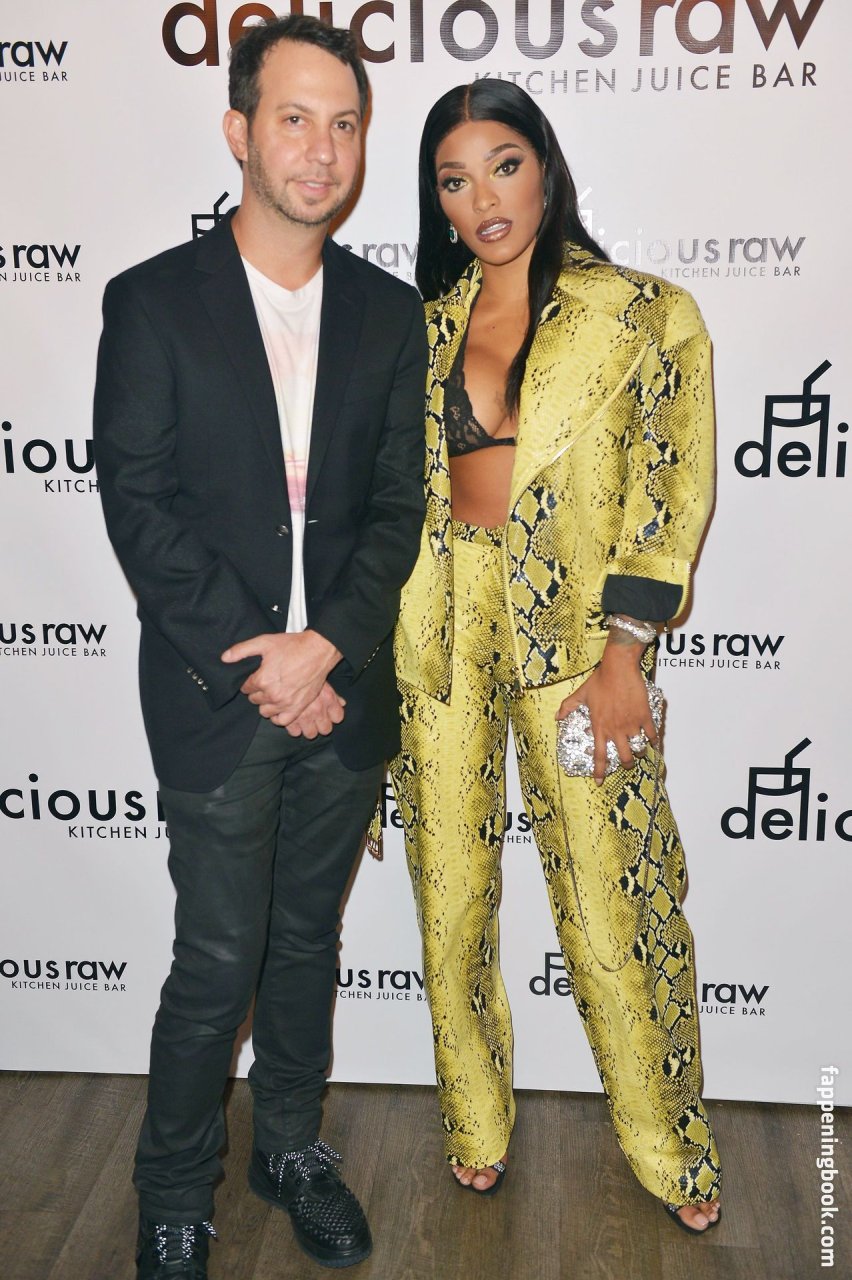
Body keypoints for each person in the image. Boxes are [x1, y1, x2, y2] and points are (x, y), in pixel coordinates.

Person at [93, 15, 426, 1277]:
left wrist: (326, 647)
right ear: (239, 130)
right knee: (219, 956)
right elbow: (141, 507)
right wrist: (268, 662)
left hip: (343, 695)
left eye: (344, 123)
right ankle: (174, 1188)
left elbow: (397, 508)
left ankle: (289, 1146)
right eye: (295, 118)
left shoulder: (391, 315)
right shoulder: (152, 303)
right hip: (218, 697)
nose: (322, 149)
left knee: (304, 946)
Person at [387, 79, 721, 1233]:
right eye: (454, 178)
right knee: (449, 894)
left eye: (504, 164)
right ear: (435, 198)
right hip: (438, 628)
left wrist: (628, 649)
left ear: (545, 166)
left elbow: (671, 483)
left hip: (581, 638)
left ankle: (669, 1140)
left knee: (614, 893)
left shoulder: (643, 313)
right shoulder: (419, 326)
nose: (482, 197)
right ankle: (472, 1119)